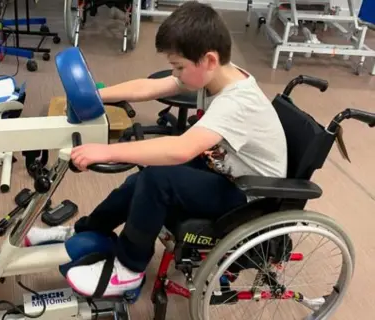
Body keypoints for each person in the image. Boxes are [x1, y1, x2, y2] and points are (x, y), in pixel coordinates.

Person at [24, 1, 288, 297]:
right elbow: (149, 88)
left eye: (179, 66)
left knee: (156, 180)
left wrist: (107, 151)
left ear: (209, 60)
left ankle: (129, 269)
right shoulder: (214, 73)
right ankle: (86, 230)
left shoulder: (236, 102)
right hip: (226, 170)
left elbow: (180, 149)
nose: (176, 73)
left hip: (248, 193)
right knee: (140, 181)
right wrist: (95, 97)